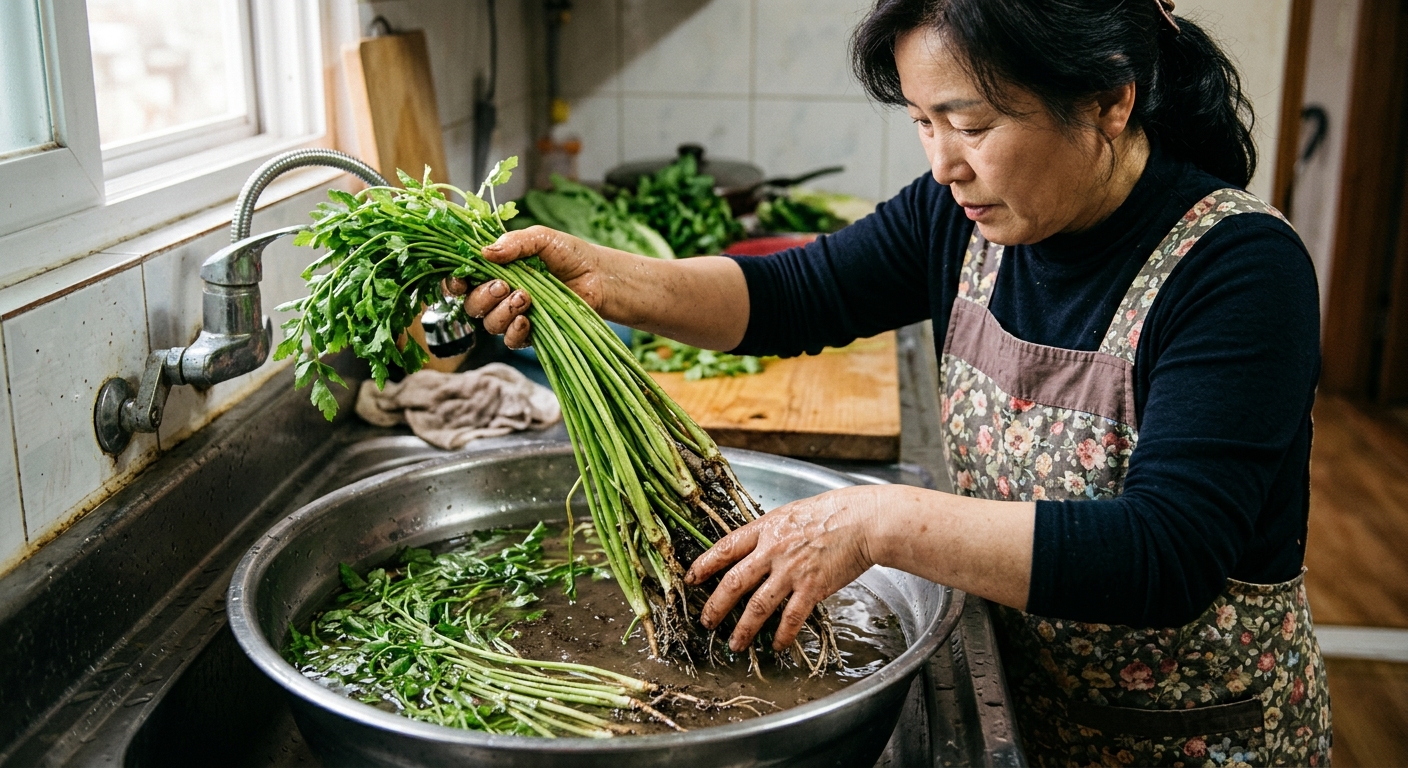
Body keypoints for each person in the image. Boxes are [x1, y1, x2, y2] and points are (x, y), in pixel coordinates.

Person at [449, 0, 1332, 763]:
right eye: (922, 121)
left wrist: (876, 521)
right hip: (1024, 702)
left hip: (1188, 740)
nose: (946, 163)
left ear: (1108, 99)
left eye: (974, 125)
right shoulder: (965, 221)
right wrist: (604, 279)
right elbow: (794, 294)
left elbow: (1166, 555)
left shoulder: (1239, 270)